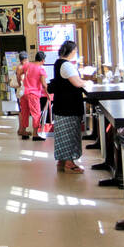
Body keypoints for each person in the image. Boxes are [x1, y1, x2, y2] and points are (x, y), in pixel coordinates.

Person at [49, 40, 89, 173]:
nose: (75, 53)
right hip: (68, 106)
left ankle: (62, 160)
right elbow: (77, 83)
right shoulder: (66, 65)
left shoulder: (58, 62)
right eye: (75, 51)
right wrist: (87, 82)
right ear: (71, 52)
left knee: (62, 134)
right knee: (70, 133)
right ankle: (69, 163)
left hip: (61, 106)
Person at [17, 51, 48, 141]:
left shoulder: (27, 65)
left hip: (24, 93)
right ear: (42, 60)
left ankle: (24, 132)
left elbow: (19, 73)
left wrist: (20, 83)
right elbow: (44, 84)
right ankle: (35, 134)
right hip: (33, 94)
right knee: (36, 113)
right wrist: (48, 93)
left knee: (25, 113)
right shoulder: (41, 69)